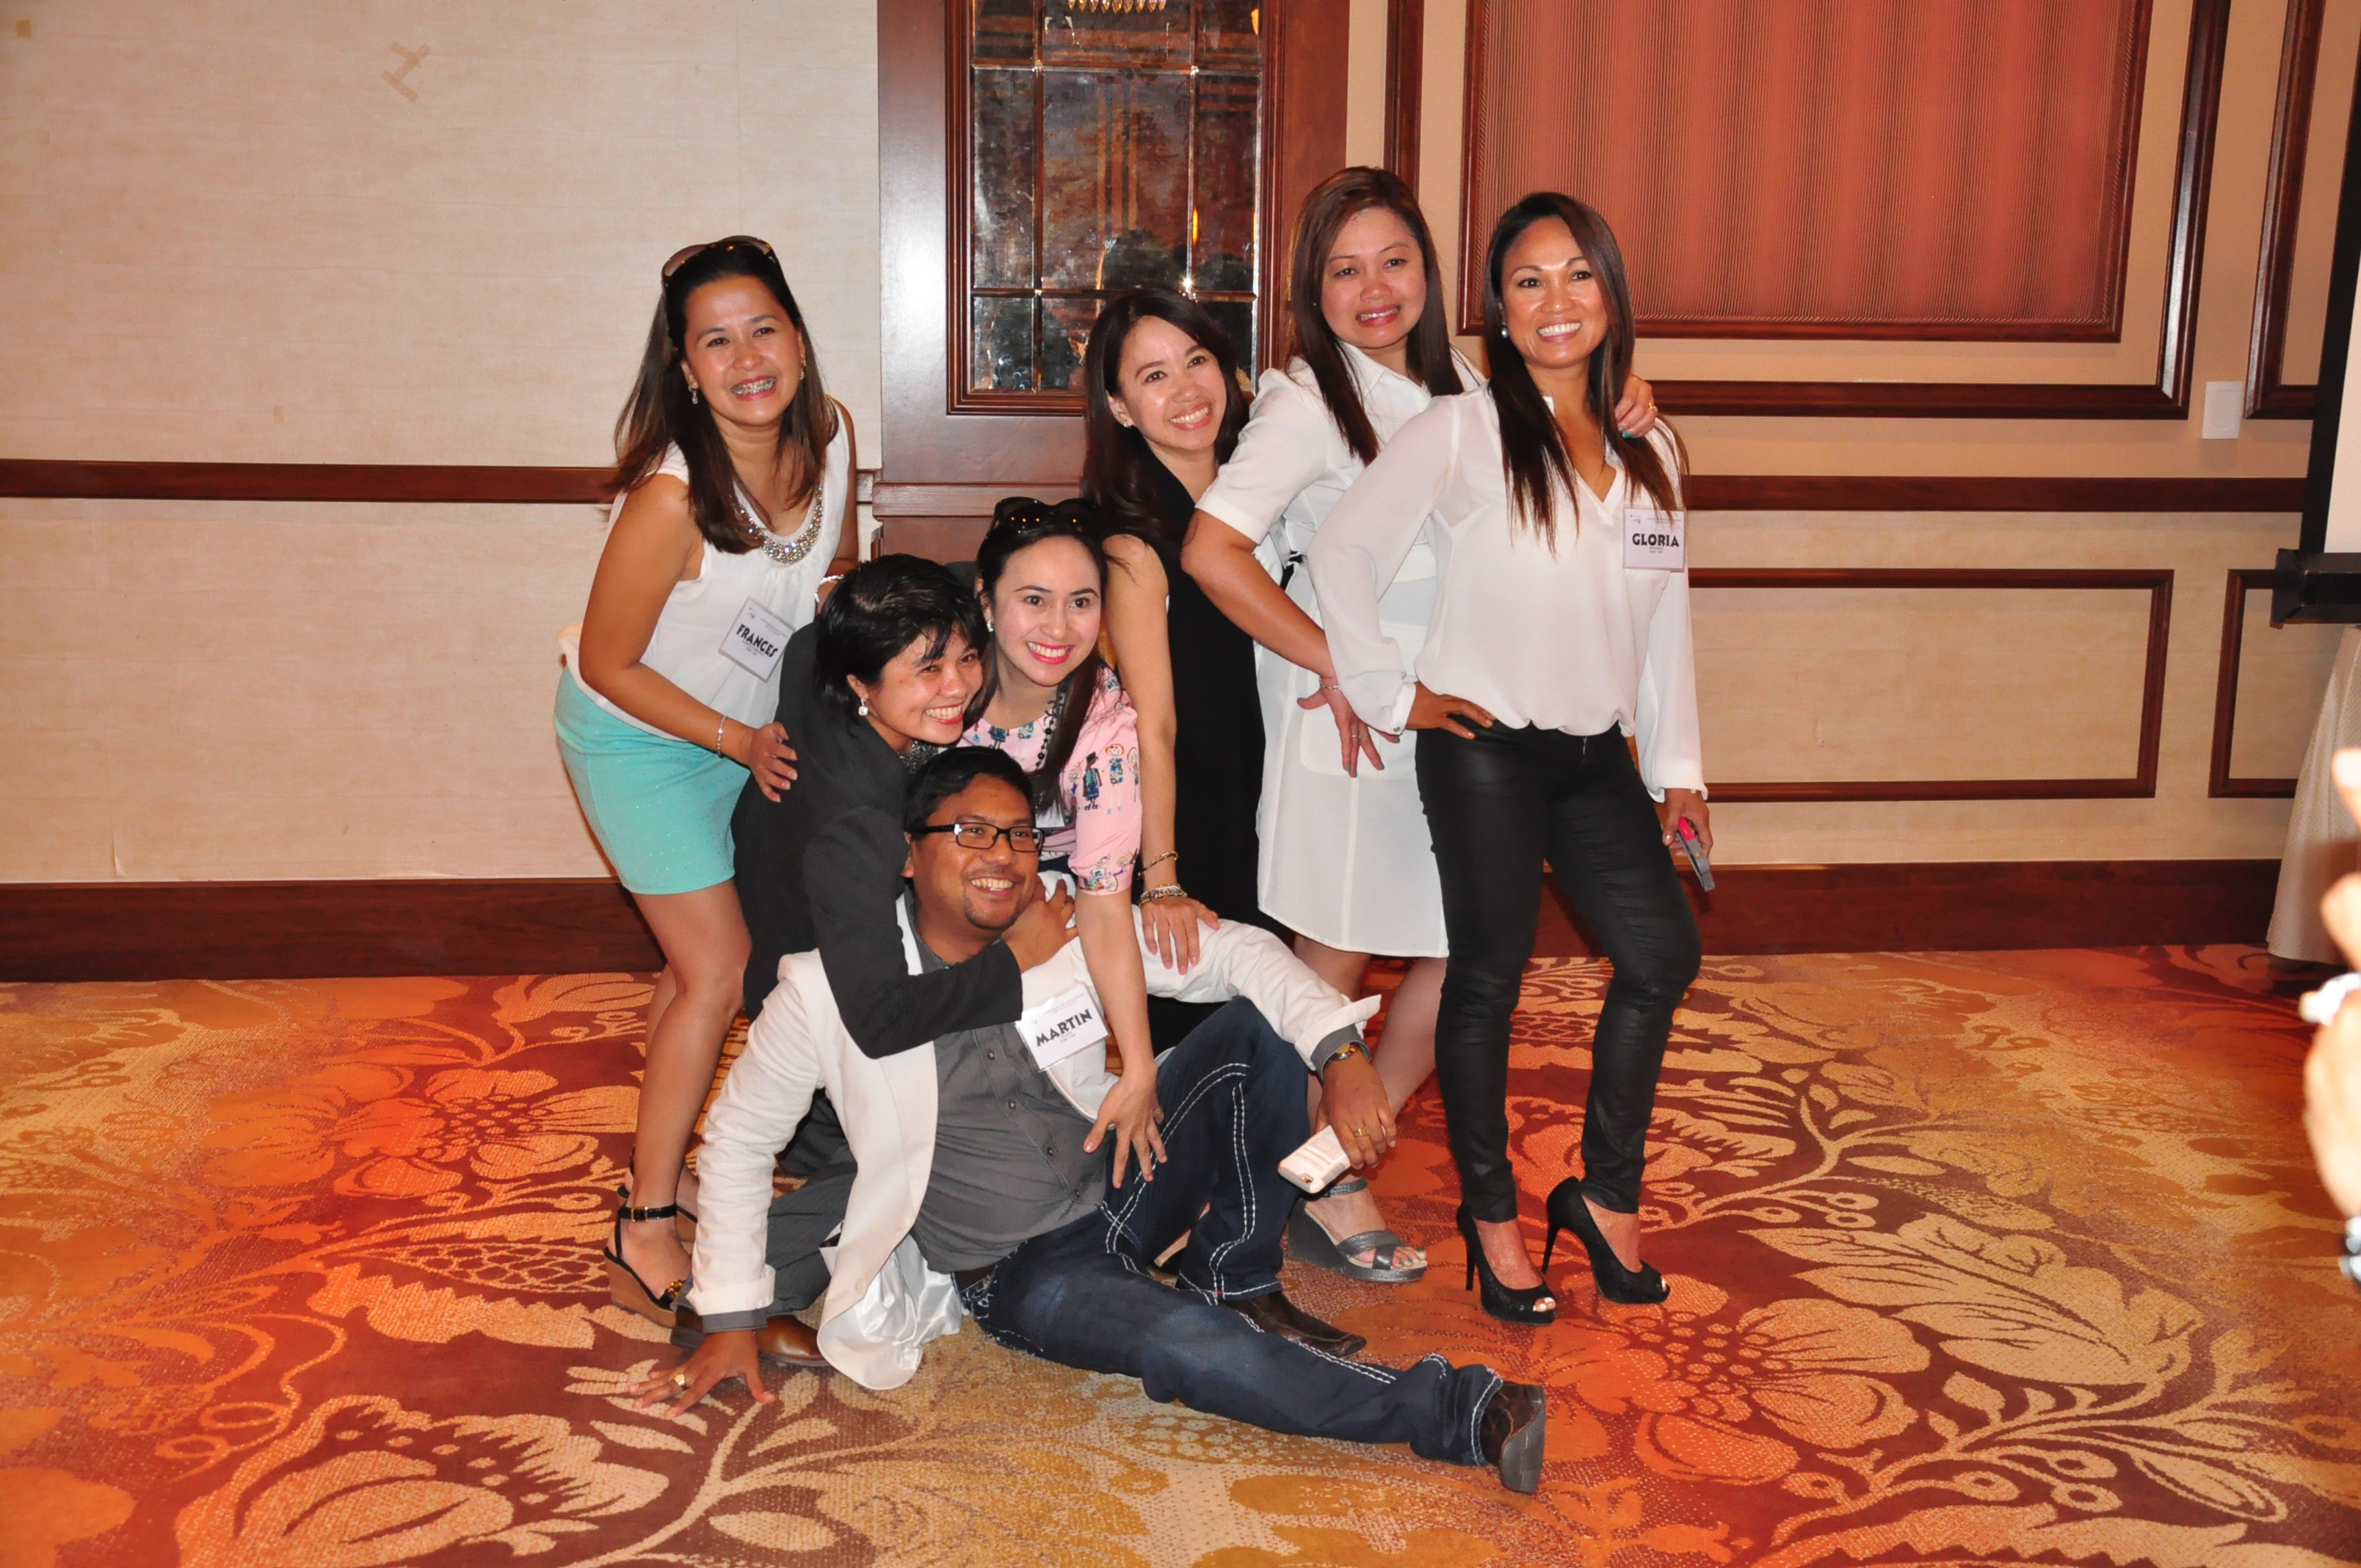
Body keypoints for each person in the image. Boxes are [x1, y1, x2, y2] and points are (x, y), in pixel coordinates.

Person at [638, 748, 1549, 1492]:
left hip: (1120, 1172)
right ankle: (1460, 1411)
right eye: (970, 832)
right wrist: (729, 1315)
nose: (1003, 856)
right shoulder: (827, 989)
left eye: (1019, 835)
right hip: (1023, 1269)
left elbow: (1240, 953)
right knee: (1185, 1348)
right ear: (909, 856)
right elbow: (741, 1140)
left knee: (1258, 1025)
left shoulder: (1063, 921)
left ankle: (1229, 1268)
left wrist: (1340, 1057)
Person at [1183, 166, 1664, 1285]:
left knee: (1459, 955)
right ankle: (1313, 1179)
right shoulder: (1306, 402)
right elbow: (1213, 551)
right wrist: (1344, 666)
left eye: (1394, 261)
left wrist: (1629, 395)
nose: (1374, 289)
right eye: (1344, 270)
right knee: (1335, 959)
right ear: (1312, 291)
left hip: (1461, 715)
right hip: (1355, 715)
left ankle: (1333, 1151)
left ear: (1434, 274)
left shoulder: (1469, 387)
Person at [1310, 192, 1706, 1325]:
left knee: (1662, 955)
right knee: (1487, 978)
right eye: (1529, 281)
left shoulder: (1650, 443)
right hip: (1485, 752)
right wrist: (1391, 694)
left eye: (1578, 274)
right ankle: (1492, 1224)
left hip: (1596, 759)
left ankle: (1605, 1197)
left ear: (1611, 292)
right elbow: (1343, 555)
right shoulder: (1462, 430)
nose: (1557, 300)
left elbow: (1664, 614)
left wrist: (1681, 767)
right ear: (1498, 308)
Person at [556, 234, 855, 1324]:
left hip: (750, 730)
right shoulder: (670, 502)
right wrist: (737, 741)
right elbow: (608, 664)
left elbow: (820, 581)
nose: (746, 359)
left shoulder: (830, 435)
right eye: (715, 342)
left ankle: (666, 1154)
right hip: (637, 741)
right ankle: (644, 1221)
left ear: (800, 340)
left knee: (696, 969)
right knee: (719, 968)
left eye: (763, 330)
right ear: (685, 370)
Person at [715, 557, 1080, 1357]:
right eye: (927, 670)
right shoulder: (863, 822)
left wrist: (985, 581)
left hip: (819, 953)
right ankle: (742, 1292)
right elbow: (878, 1020)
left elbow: (811, 637)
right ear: (861, 682)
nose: (958, 686)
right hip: (833, 1031)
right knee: (936, 1144)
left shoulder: (823, 678)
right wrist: (1015, 959)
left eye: (967, 657)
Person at [1080, 290, 1272, 1030]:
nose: (1186, 389)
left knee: (1285, 1019)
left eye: (1197, 361)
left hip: (1282, 789)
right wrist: (1162, 879)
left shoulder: (1267, 494)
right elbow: (1152, 726)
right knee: (1211, 1033)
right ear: (1120, 407)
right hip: (1200, 811)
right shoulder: (1133, 544)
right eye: (1154, 376)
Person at [962, 498, 1160, 1159]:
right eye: (1034, 600)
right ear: (987, 602)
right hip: (948, 899)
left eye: (1081, 602)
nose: (1059, 627)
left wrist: (1139, 1065)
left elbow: (1105, 906)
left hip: (1065, 903)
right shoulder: (942, 691)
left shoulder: (1104, 724)